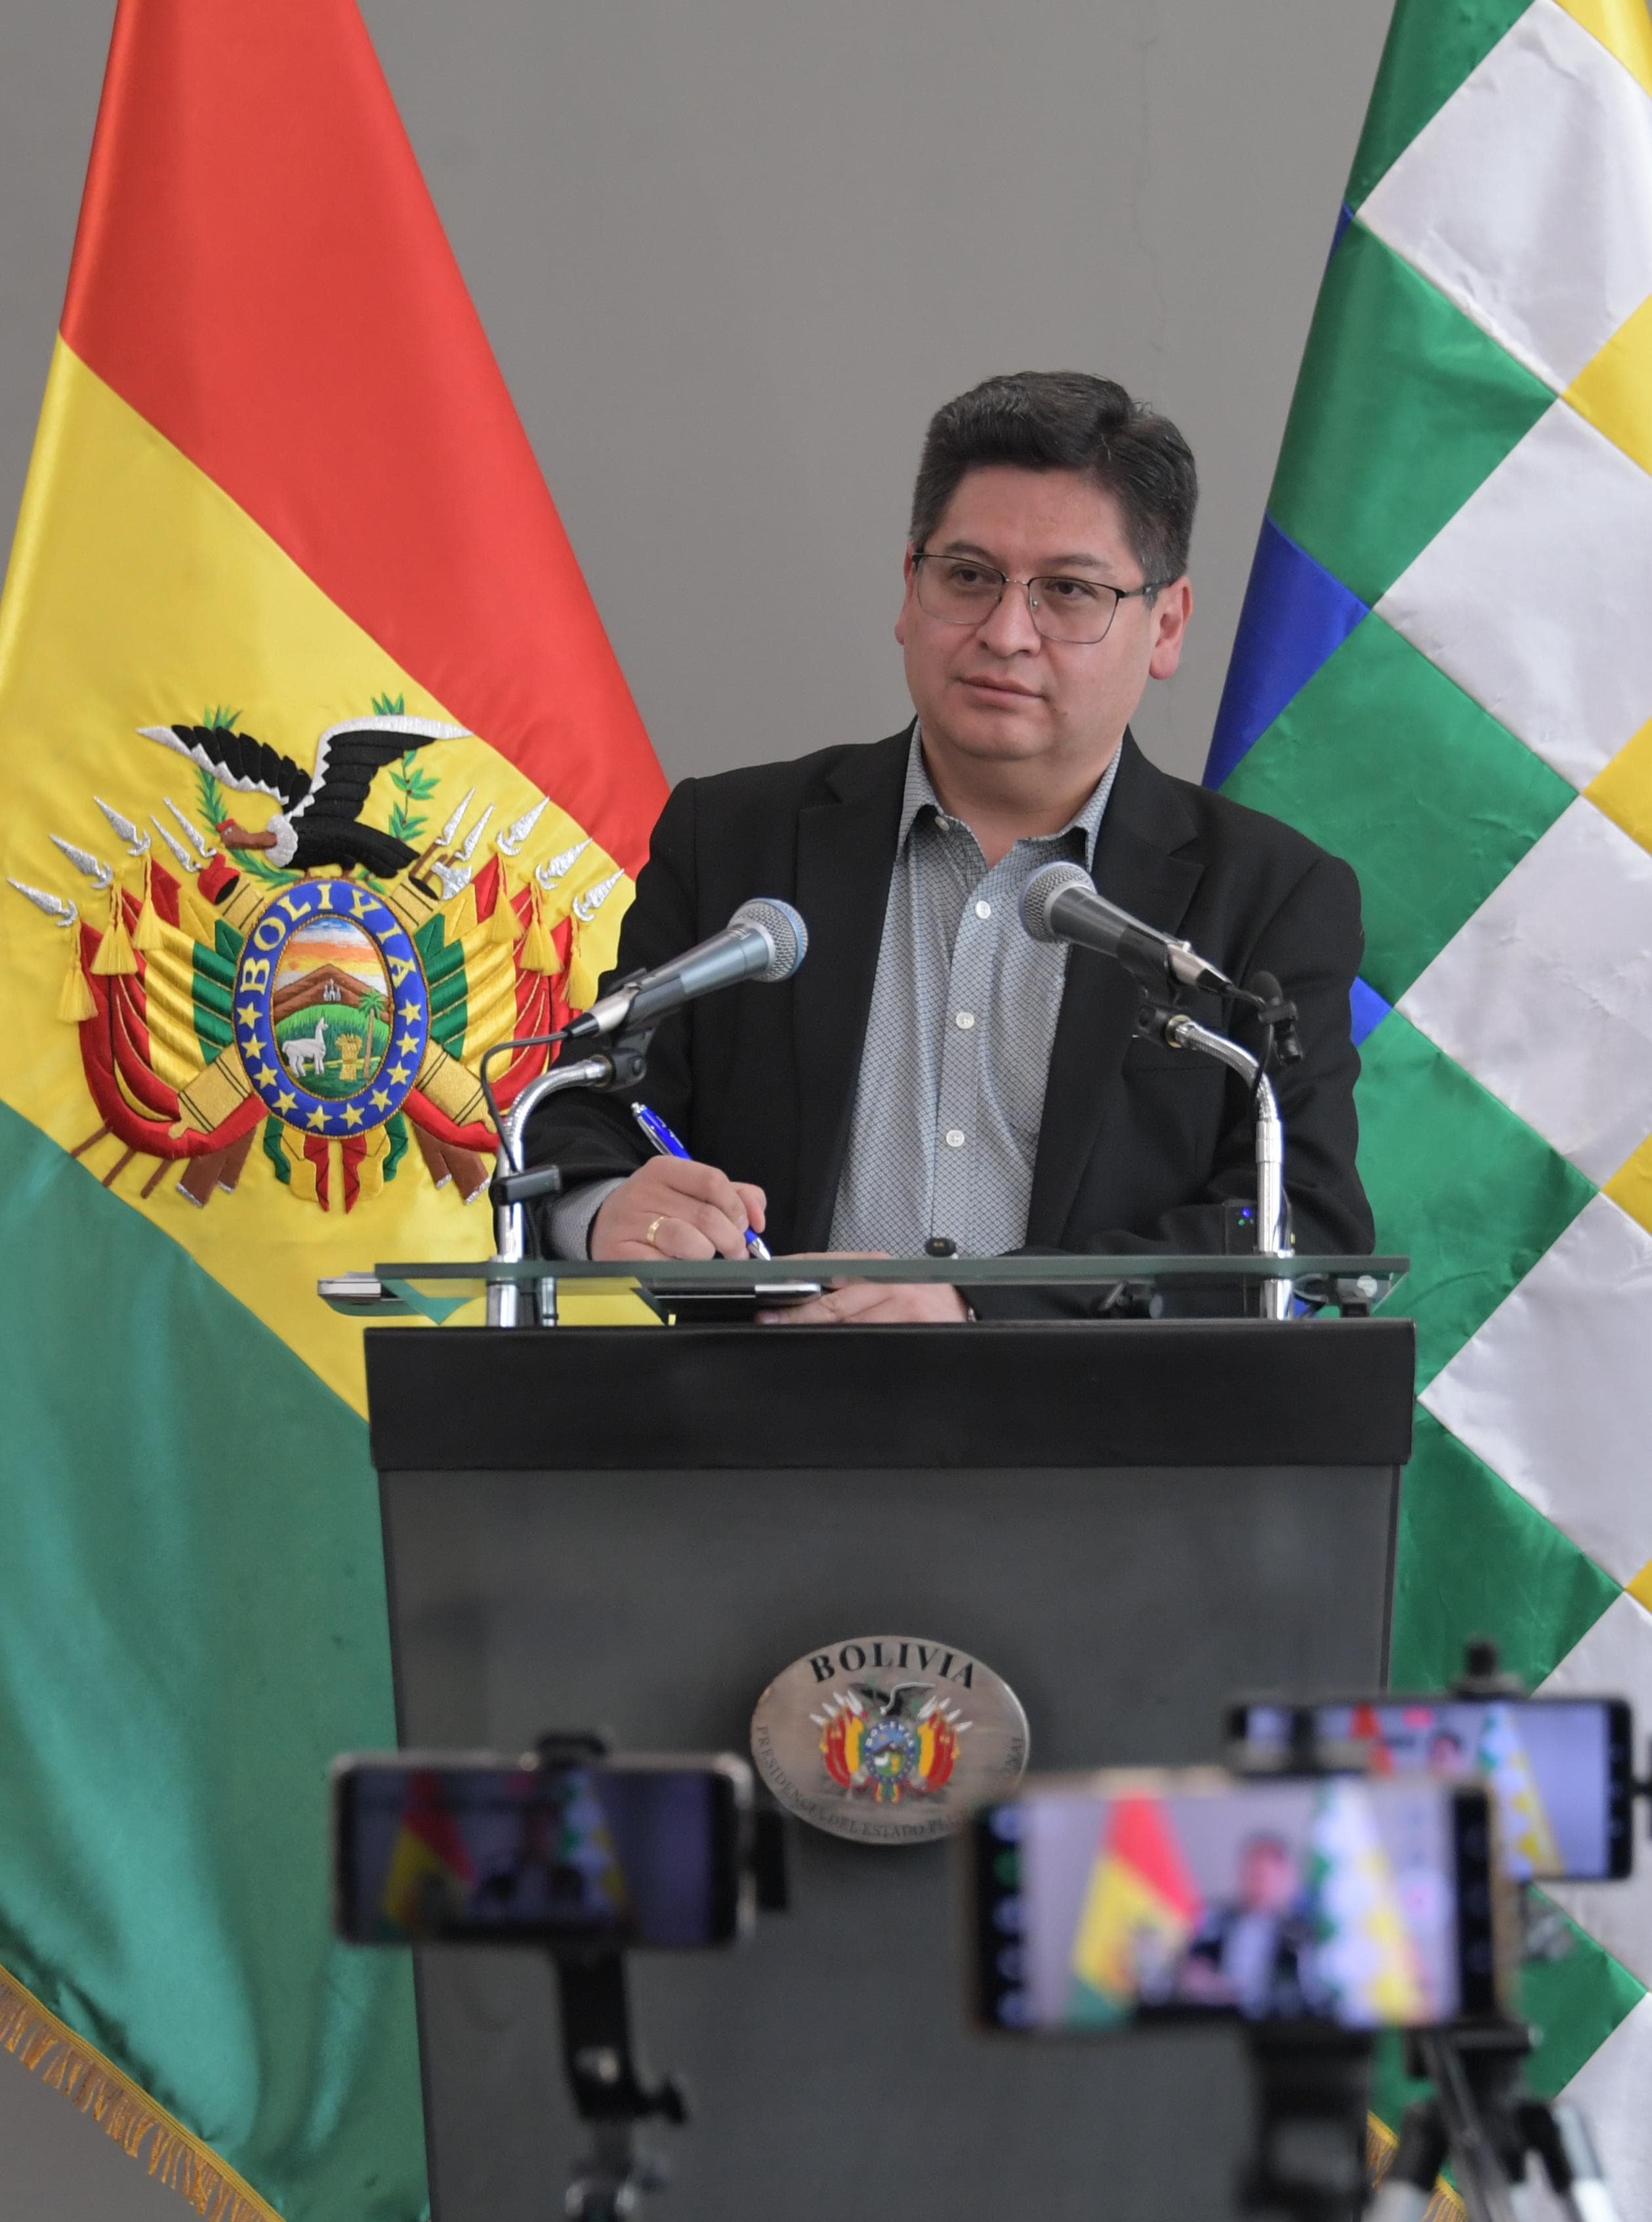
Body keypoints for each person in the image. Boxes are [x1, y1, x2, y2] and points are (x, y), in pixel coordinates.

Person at [526, 371, 1373, 1321]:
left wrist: (978, 1306)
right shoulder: (732, 839)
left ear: (1165, 624)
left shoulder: (1266, 895)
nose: (1006, 634)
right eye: (967, 577)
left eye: (1068, 591)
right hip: (765, 1402)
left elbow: (1296, 1216)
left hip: (1096, 1417)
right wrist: (605, 1206)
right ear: (909, 588)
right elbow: (583, 1109)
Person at [1178, 1832, 1321, 2017]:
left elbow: (1305, 1991)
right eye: (1252, 1875)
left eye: (1264, 1877)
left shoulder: (1301, 1931)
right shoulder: (1214, 1921)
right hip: (1215, 2019)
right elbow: (1194, 1969)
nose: (1258, 1885)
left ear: (1284, 1877)